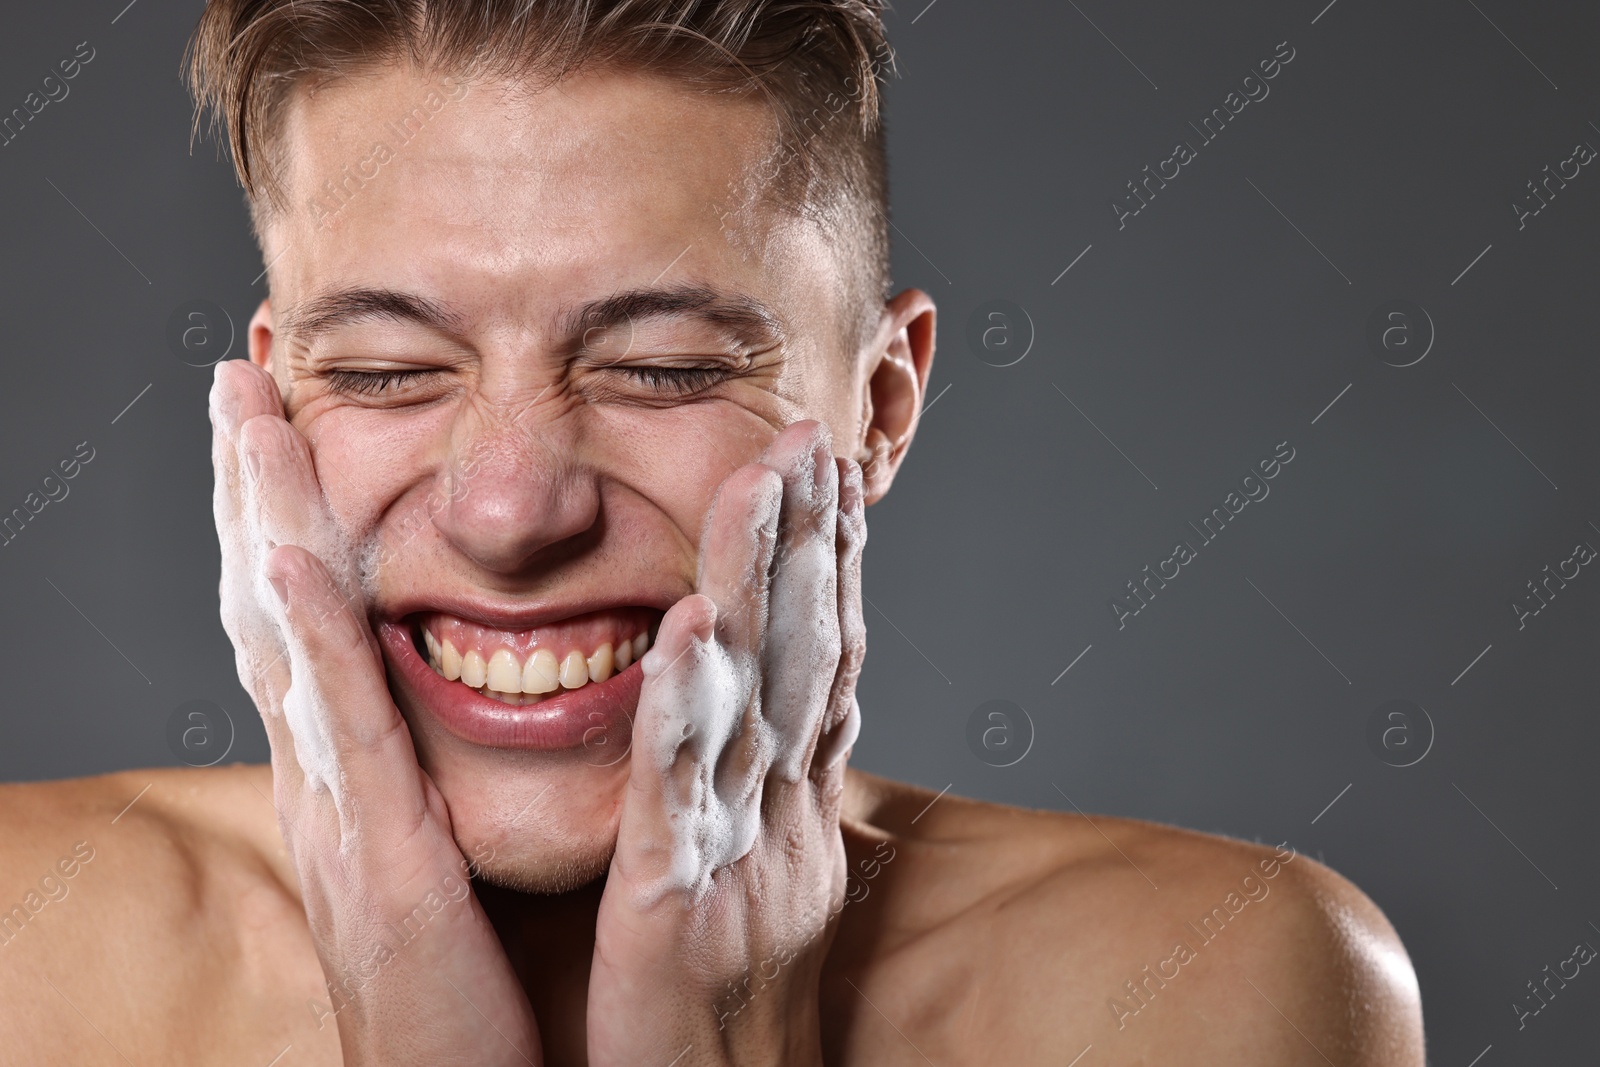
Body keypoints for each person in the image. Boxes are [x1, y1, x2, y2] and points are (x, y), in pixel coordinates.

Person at [0, 1, 1425, 1062]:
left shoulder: (1209, 990)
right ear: (272, 398)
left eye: (668, 367)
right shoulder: (28, 958)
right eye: (382, 370)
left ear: (879, 404)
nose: (509, 510)